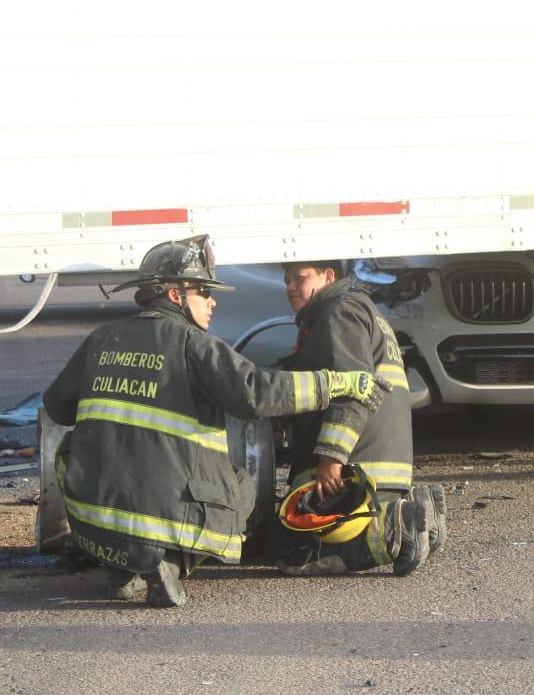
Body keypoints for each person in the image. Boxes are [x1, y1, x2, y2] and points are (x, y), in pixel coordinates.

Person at [42, 236, 389, 607]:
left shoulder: (101, 339)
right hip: (165, 512)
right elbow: (258, 393)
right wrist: (336, 383)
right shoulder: (193, 344)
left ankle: (122, 568)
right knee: (242, 486)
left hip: (92, 515)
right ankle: (172, 562)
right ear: (175, 295)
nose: (213, 301)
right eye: (204, 292)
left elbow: (57, 407)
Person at [272, 260, 446, 577]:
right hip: (381, 466)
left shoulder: (338, 313)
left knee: (293, 553)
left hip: (355, 467)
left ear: (328, 276)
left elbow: (353, 390)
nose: (291, 287)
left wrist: (331, 458)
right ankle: (414, 512)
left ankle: (397, 527)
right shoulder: (356, 308)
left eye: (299, 278)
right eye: (287, 281)